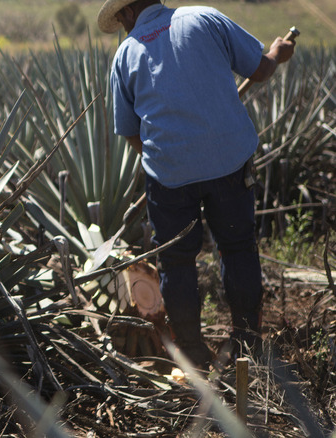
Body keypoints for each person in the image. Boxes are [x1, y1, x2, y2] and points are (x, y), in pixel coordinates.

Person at [97, 0, 295, 368]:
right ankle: (246, 344)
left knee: (176, 261)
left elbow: (130, 132)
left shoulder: (126, 53)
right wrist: (277, 53)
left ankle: (190, 351)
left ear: (125, 12)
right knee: (237, 248)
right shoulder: (204, 17)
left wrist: (168, 156)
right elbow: (261, 69)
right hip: (229, 163)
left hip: (169, 177)